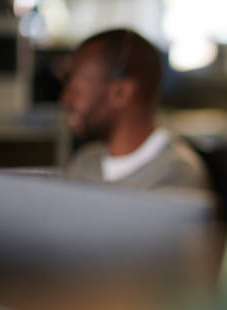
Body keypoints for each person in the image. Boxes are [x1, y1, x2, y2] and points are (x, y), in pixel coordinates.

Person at [60, 28, 210, 192]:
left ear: (121, 93)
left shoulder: (177, 175)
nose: (65, 99)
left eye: (76, 89)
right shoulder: (84, 163)